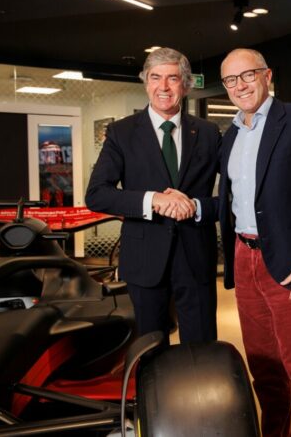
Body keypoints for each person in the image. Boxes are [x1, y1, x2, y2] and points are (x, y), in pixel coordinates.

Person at [200, 48, 291, 437]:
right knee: (265, 375)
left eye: (248, 75)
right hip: (244, 260)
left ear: (267, 75)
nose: (240, 85)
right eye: (231, 80)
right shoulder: (231, 135)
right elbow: (232, 201)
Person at [85, 47, 221, 343]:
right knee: (150, 353)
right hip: (144, 262)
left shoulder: (209, 133)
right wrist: (153, 200)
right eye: (155, 77)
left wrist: (198, 206)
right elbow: (96, 194)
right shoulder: (121, 132)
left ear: (186, 84)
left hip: (196, 259)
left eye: (173, 78)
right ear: (146, 82)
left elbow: (235, 197)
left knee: (202, 354)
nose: (163, 87)